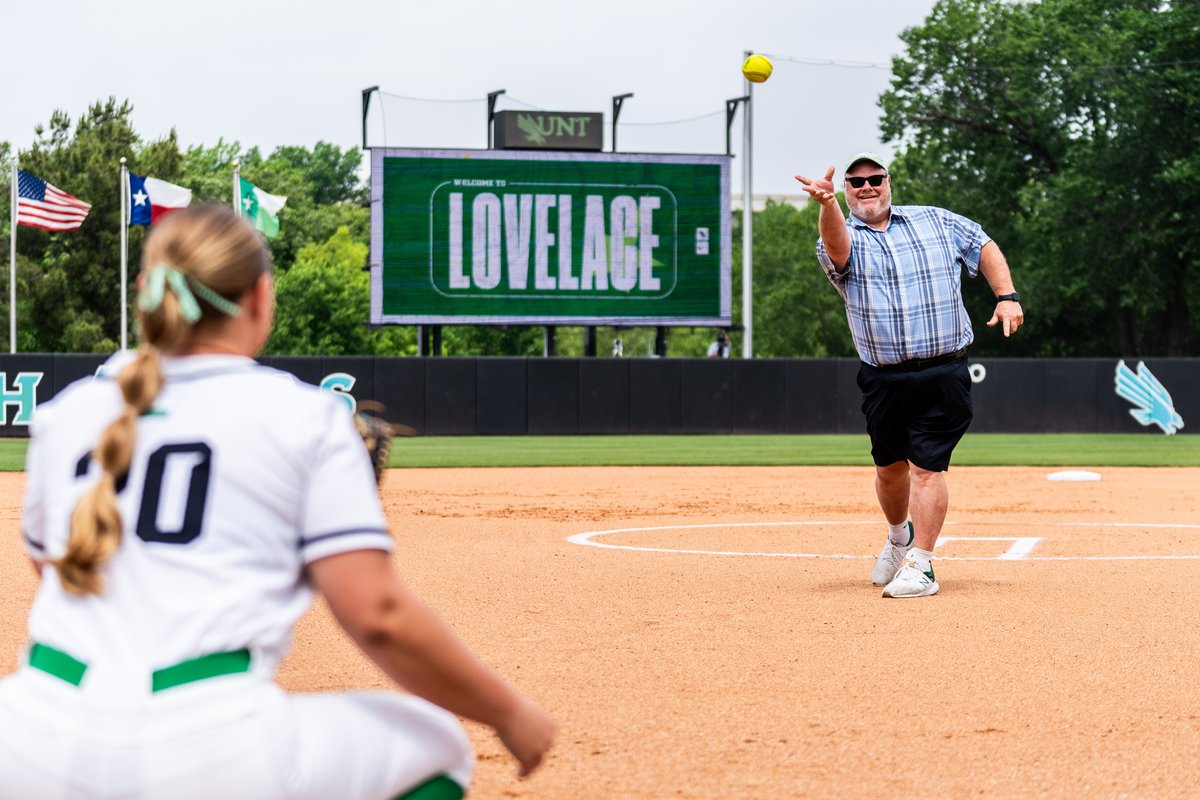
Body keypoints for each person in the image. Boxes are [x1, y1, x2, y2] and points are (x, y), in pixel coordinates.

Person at [0, 204, 556, 799]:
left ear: (145, 293)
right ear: (261, 298)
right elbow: (379, 617)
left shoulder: (67, 414)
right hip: (209, 750)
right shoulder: (304, 416)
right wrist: (509, 713)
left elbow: (57, 568)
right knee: (437, 745)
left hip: (30, 738)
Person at [795, 153, 1023, 599]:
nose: (866, 187)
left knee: (925, 467)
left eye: (874, 179)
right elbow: (838, 248)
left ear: (888, 182)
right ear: (846, 190)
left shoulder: (935, 220)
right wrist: (826, 207)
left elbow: (983, 245)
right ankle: (899, 538)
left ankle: (921, 564)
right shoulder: (839, 234)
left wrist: (1007, 295)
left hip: (944, 368)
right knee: (889, 470)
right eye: (855, 182)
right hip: (883, 377)